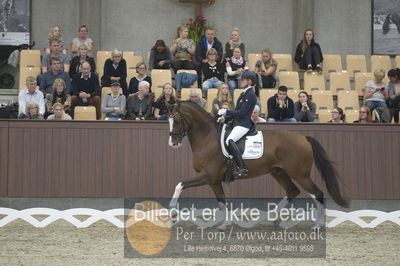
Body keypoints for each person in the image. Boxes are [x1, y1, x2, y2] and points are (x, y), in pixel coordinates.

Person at [217, 71, 257, 178]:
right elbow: (237, 112)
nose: (240, 80)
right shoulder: (243, 94)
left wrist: (226, 112)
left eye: (243, 79)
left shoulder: (251, 95)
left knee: (229, 140)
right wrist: (224, 118)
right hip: (237, 122)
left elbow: (243, 113)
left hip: (244, 124)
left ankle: (242, 168)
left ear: (249, 81)